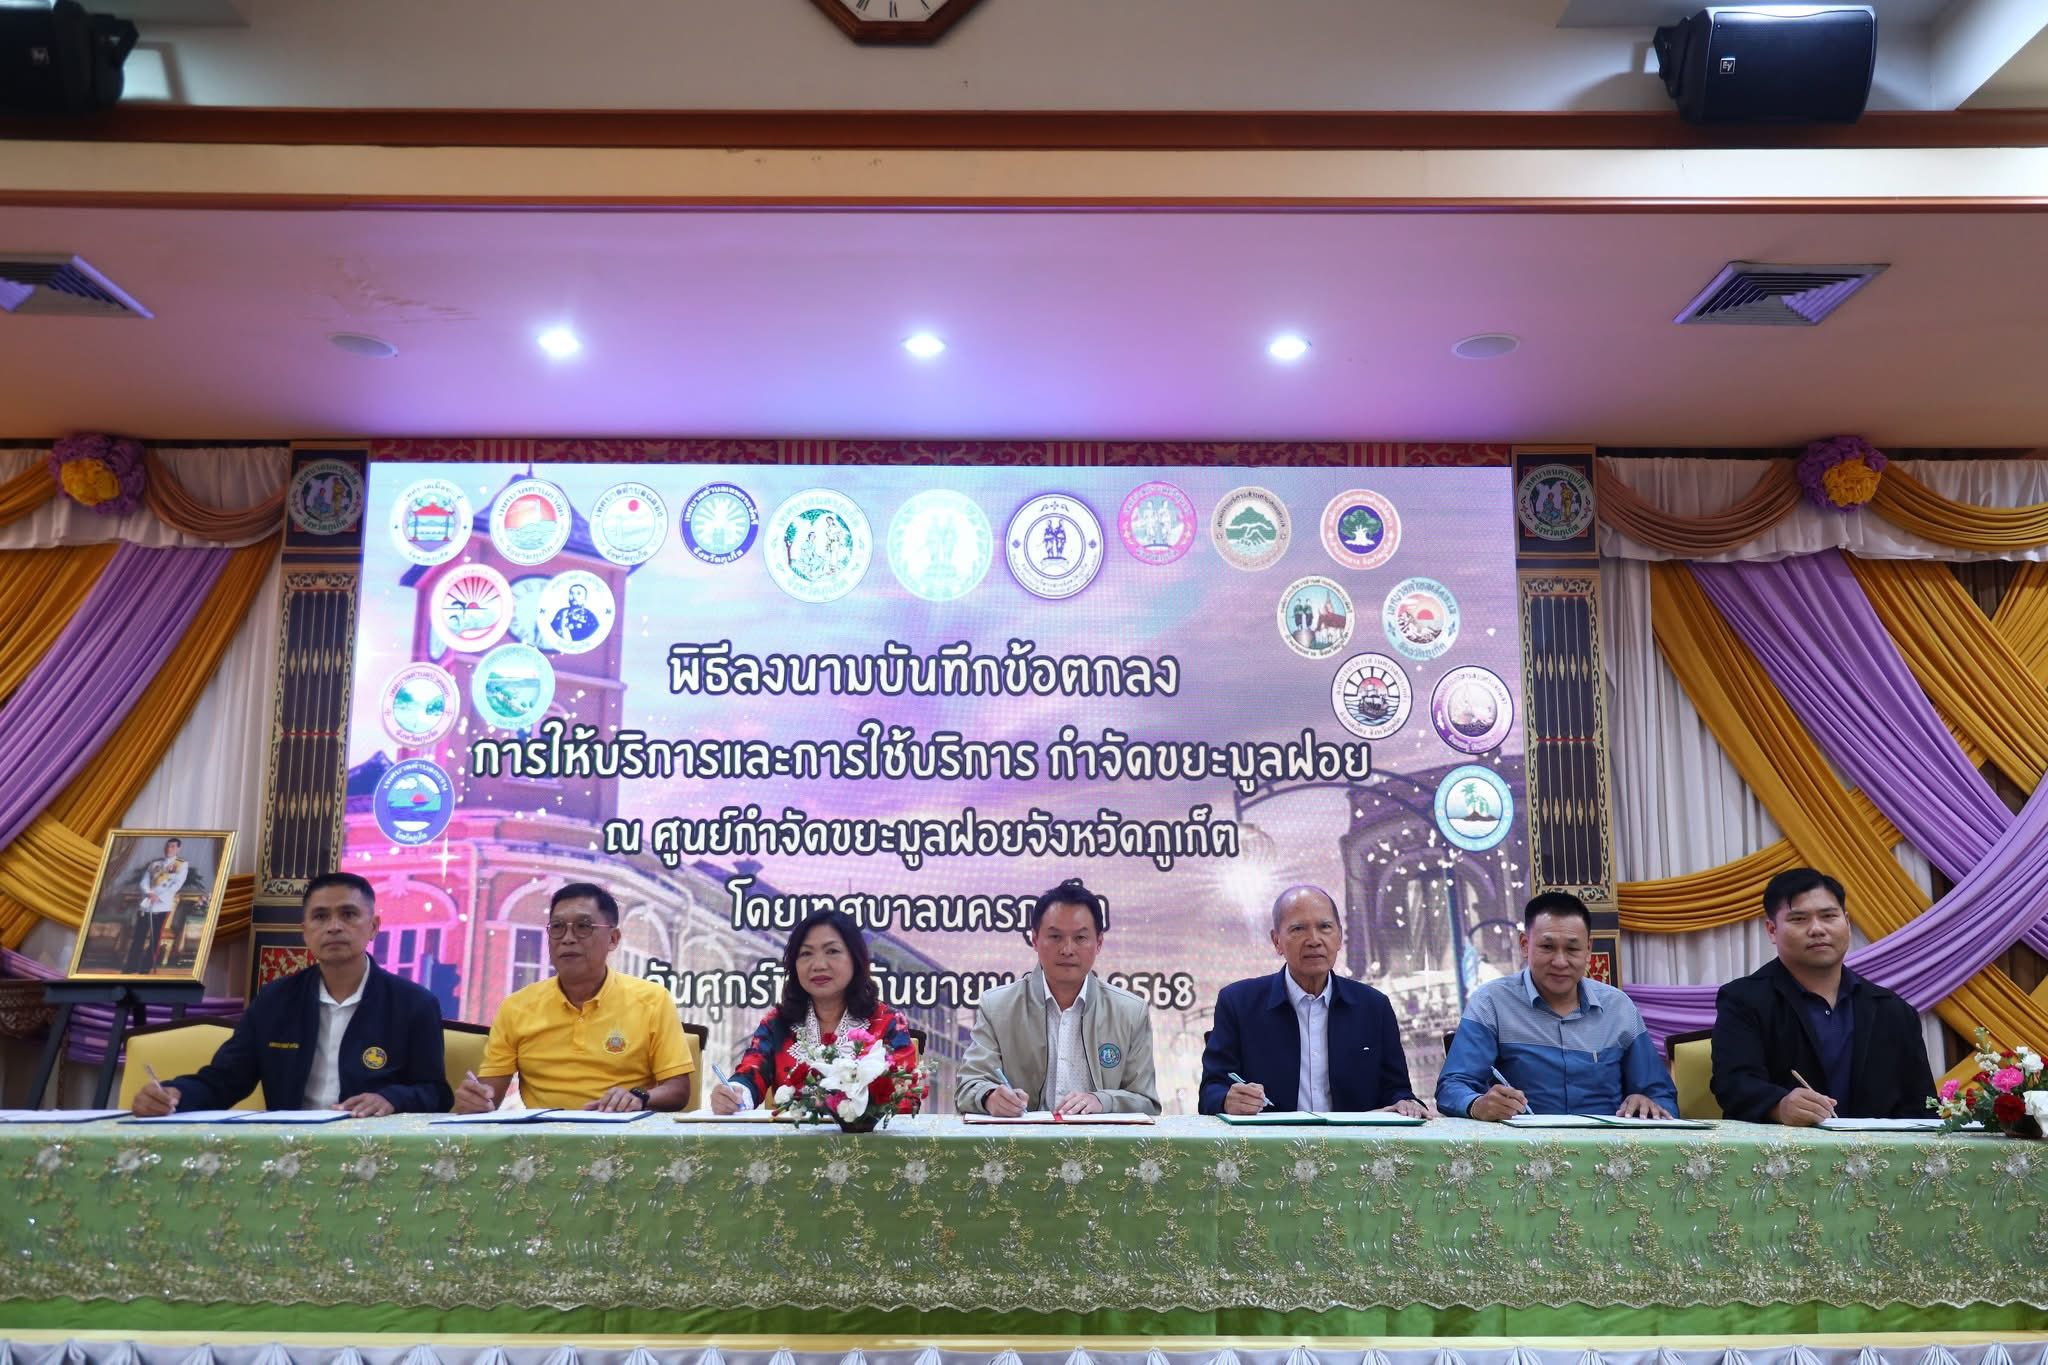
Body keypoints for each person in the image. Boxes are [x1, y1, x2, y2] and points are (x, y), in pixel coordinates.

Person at [131, 872, 450, 1116]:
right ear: (305, 931)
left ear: (374, 926)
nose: (334, 927)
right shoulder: (275, 1001)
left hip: (373, 1149)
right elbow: (224, 1081)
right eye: (320, 916)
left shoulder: (414, 1004)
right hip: (289, 1150)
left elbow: (436, 1092)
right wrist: (174, 1094)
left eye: (349, 914)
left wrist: (391, 1099)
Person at [1711, 867, 1935, 1125]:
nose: (1817, 929)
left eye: (1828, 916)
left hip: (1880, 1149)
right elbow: (1733, 1083)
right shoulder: (1743, 999)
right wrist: (1778, 1106)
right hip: (1784, 1147)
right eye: (1799, 919)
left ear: (1847, 923)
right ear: (1772, 930)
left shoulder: (1893, 1010)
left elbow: (1923, 1105)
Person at [454, 883, 693, 1113]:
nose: (567, 938)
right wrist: (476, 1100)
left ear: (613, 939)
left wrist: (639, 1097)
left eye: (583, 926)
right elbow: (489, 1096)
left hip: (622, 1133)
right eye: (557, 927)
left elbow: (679, 1091)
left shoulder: (652, 1000)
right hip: (543, 1136)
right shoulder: (516, 1007)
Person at [1438, 891, 1677, 1120]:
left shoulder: (1618, 1008)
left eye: (1572, 949)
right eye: (1547, 947)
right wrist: (1477, 1104)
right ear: (1524, 945)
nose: (1560, 962)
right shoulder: (1491, 1002)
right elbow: (1452, 1086)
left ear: (1588, 949)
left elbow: (1662, 1096)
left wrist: (1647, 1103)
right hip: (1522, 1144)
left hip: (1607, 1144)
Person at [1198, 885, 1424, 1116]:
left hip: (1354, 1137)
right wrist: (1226, 1100)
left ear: (1339, 937)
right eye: (1298, 929)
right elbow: (1211, 1090)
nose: (1314, 940)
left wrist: (1405, 1102)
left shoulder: (1374, 1007)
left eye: (1324, 927)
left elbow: (1396, 1089)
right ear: (1276, 941)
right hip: (1271, 1138)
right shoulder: (1238, 1003)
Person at [955, 877, 1160, 1116]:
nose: (1067, 949)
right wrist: (989, 1097)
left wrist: (1104, 1101)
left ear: (1099, 943)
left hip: (1101, 1139)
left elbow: (1147, 1103)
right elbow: (968, 1086)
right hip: (1021, 1139)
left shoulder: (1130, 1012)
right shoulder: (997, 1007)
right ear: (1034, 940)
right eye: (1055, 937)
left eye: (1080, 938)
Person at [708, 909, 923, 1116]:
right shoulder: (777, 1023)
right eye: (806, 954)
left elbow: (905, 1099)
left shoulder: (887, 1022)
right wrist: (735, 1094)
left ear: (856, 959)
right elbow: (751, 1072)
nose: (818, 965)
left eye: (832, 951)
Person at [124, 837, 191, 973]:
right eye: (167, 846)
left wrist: (158, 896)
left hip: (161, 906)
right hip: (147, 904)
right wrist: (149, 893)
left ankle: (146, 967)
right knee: (139, 937)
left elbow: (176, 885)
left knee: (155, 938)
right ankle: (131, 967)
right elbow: (144, 881)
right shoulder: (155, 864)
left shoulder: (181, 865)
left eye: (172, 846)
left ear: (178, 849)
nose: (169, 849)